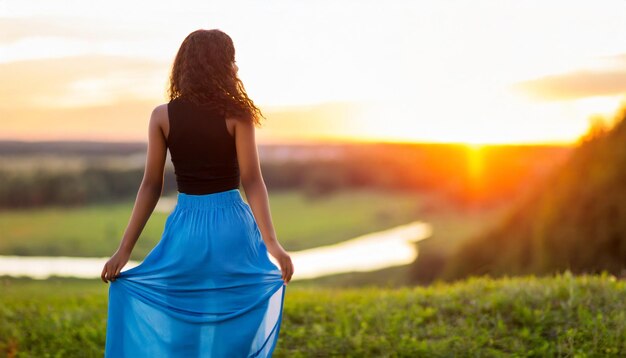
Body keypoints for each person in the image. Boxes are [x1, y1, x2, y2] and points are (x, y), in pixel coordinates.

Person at [101, 28, 294, 357]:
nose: (235, 67)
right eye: (231, 61)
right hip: (232, 228)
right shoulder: (237, 114)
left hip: (186, 228)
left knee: (180, 324)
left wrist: (124, 251)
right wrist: (273, 244)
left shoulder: (162, 116)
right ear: (223, 65)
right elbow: (252, 181)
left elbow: (151, 185)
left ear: (184, 66)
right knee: (233, 323)